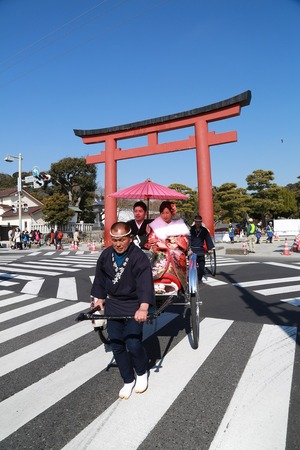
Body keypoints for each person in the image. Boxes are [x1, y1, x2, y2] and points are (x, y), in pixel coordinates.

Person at [91, 221, 155, 400]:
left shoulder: (138, 256)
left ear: (130, 238)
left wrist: (143, 307)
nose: (118, 244)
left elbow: (144, 283)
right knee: (117, 344)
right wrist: (99, 299)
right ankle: (128, 379)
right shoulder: (105, 255)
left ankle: (141, 373)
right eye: (114, 240)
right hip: (114, 304)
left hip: (134, 304)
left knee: (133, 343)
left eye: (122, 239)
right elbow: (100, 279)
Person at [145, 201, 189, 290]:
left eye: (167, 213)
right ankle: (155, 280)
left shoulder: (178, 225)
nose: (165, 215)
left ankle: (173, 280)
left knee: (173, 254)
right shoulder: (155, 225)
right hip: (159, 249)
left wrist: (176, 244)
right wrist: (157, 243)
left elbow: (184, 239)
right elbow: (151, 239)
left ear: (171, 213)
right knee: (152, 256)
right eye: (163, 213)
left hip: (174, 249)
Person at [188, 215, 215, 283]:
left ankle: (199, 279)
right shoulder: (191, 230)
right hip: (192, 250)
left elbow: (208, 239)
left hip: (200, 250)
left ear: (201, 222)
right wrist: (189, 249)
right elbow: (188, 240)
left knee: (202, 267)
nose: (198, 223)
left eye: (199, 222)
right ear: (195, 222)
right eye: (196, 222)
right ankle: (193, 280)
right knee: (192, 268)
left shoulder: (204, 230)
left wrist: (209, 248)